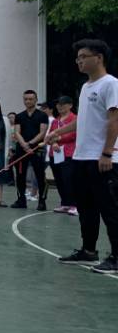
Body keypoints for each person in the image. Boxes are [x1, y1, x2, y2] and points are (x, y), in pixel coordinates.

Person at [44, 39, 118, 272]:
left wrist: (107, 153)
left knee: (110, 209)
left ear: (99, 58)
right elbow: (82, 121)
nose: (79, 61)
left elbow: (114, 120)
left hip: (102, 159)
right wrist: (57, 132)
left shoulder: (111, 84)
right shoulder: (86, 87)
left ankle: (116, 257)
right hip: (81, 158)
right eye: (77, 58)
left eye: (84, 57)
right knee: (86, 208)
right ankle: (89, 251)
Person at [11, 89, 49, 211]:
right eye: (25, 99)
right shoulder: (19, 116)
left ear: (36, 100)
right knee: (20, 175)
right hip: (22, 149)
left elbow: (42, 132)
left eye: (30, 99)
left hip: (37, 149)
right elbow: (17, 132)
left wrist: (31, 143)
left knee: (40, 175)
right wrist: (24, 145)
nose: (28, 101)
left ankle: (42, 201)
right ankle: (21, 200)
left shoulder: (42, 115)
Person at [48, 96, 77, 215]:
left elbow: (74, 134)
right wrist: (54, 142)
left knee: (69, 179)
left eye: (63, 104)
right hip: (55, 154)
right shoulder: (55, 121)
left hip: (69, 153)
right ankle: (65, 203)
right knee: (59, 179)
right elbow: (50, 135)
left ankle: (75, 205)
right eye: (58, 104)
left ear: (70, 105)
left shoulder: (74, 119)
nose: (59, 106)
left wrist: (59, 138)